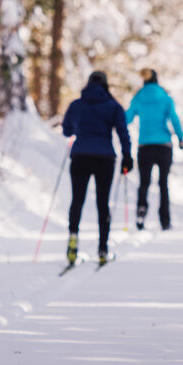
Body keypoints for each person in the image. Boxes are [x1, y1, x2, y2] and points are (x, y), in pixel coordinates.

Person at [61, 71, 132, 265]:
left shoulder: (76, 105)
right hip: (104, 158)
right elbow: (123, 133)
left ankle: (73, 239)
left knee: (77, 200)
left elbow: (67, 130)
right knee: (103, 203)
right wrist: (127, 156)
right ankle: (103, 248)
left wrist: (80, 127)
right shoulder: (113, 106)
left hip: (80, 156)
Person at [125, 68, 183, 231]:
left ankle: (141, 212)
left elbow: (127, 118)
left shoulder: (138, 97)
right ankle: (164, 220)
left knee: (144, 182)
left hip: (145, 145)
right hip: (164, 145)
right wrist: (180, 138)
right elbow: (174, 119)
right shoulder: (165, 97)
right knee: (163, 183)